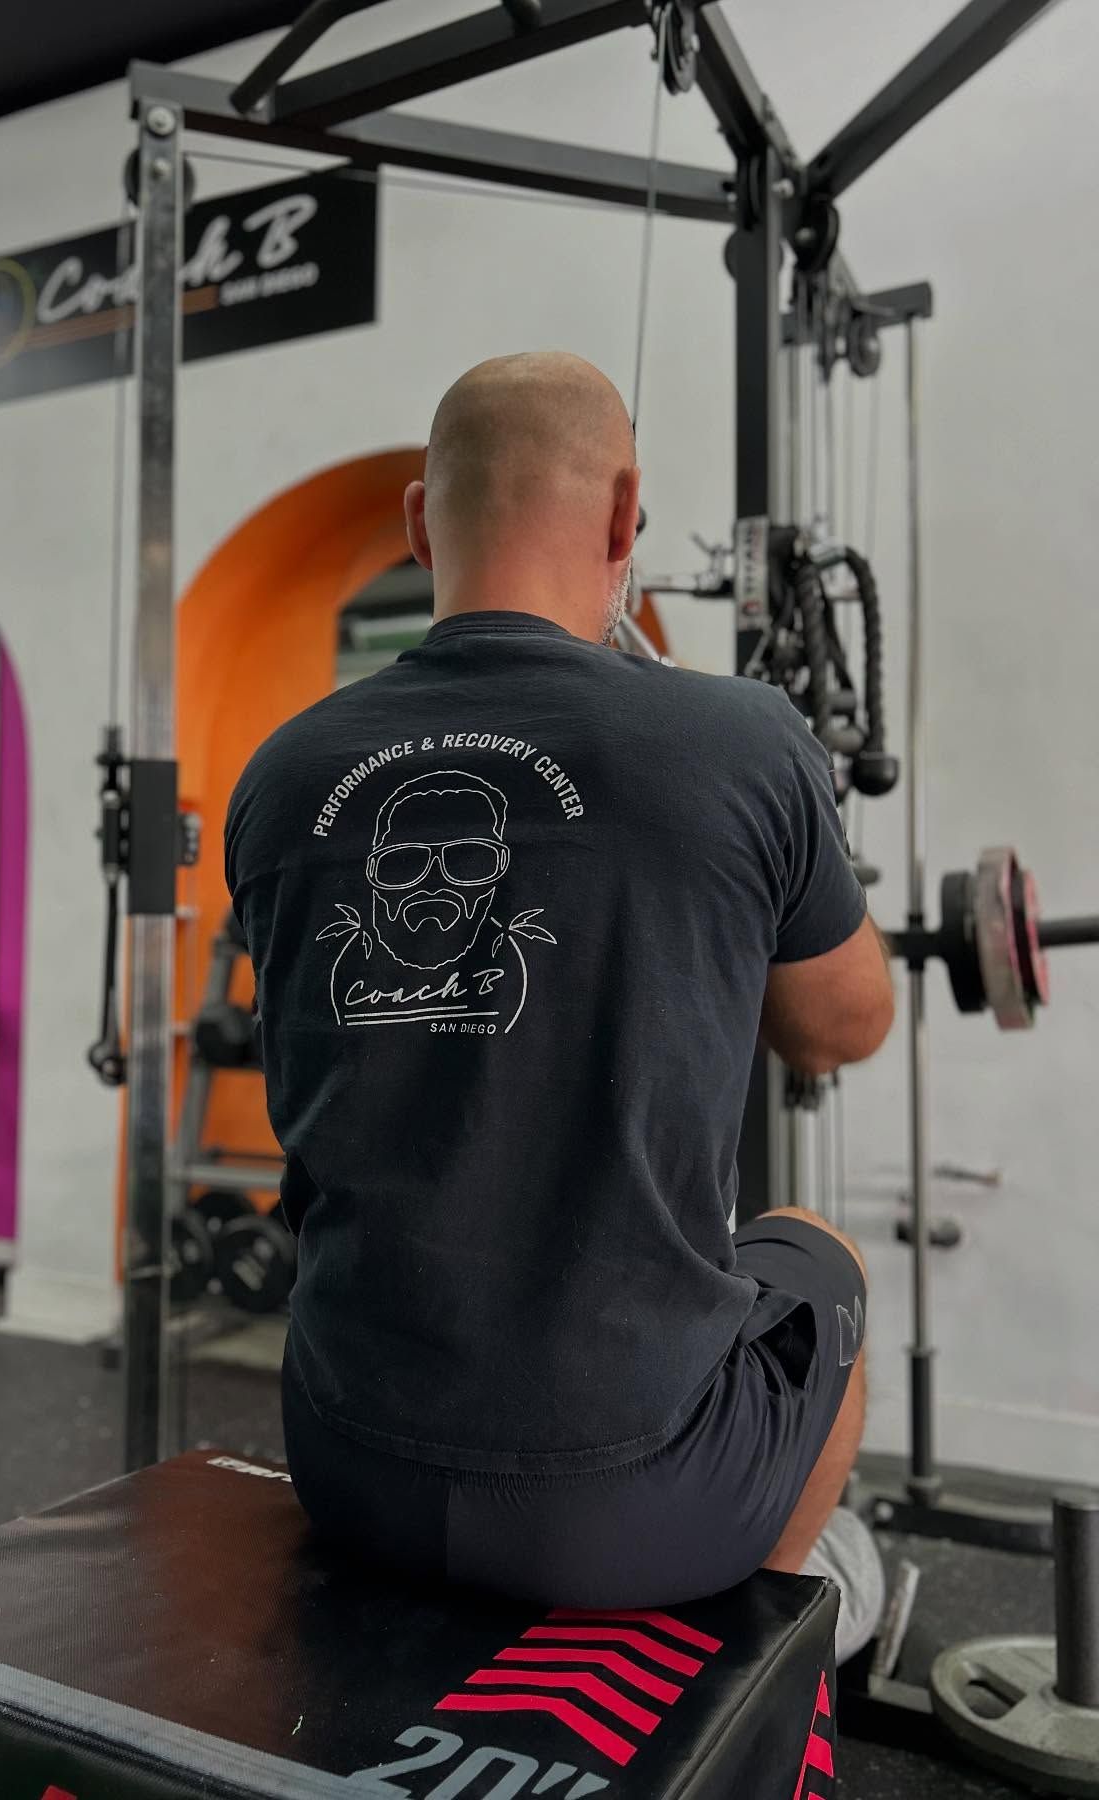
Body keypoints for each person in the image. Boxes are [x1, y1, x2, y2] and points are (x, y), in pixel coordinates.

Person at [223, 352, 894, 1611]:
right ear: (628, 513)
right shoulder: (745, 739)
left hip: (346, 1459)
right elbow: (842, 1028)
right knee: (818, 1258)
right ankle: (769, 1650)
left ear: (421, 521)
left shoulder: (284, 772)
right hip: (631, 1509)